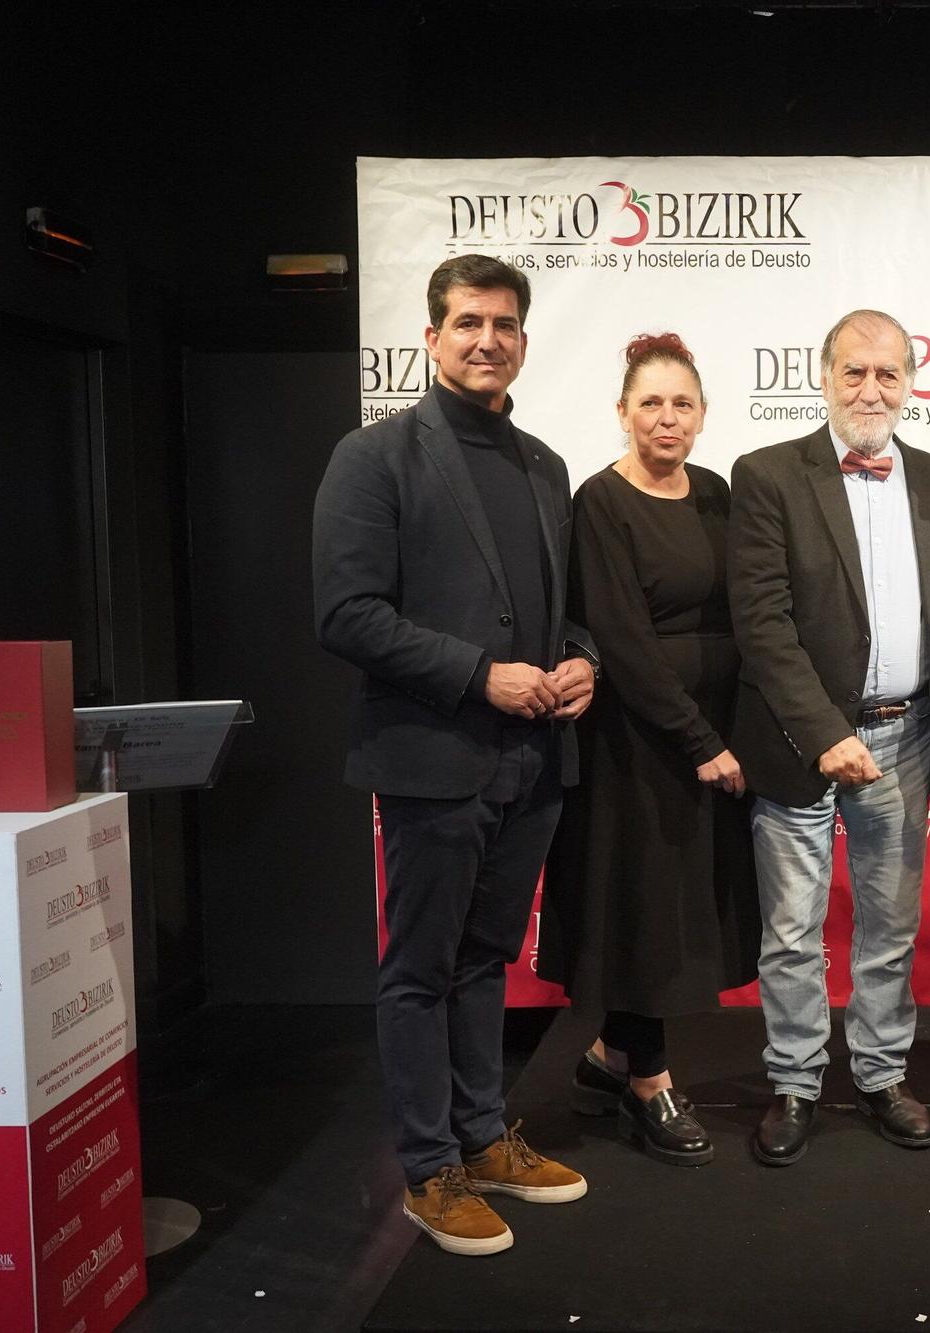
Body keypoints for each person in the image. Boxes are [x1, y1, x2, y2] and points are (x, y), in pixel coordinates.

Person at [313, 254, 595, 1255]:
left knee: (485, 963)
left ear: (522, 339)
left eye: (505, 323)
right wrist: (481, 673)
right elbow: (344, 615)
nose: (488, 338)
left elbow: (569, 617)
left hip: (532, 763)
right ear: (431, 337)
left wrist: (580, 663)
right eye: (468, 321)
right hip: (433, 757)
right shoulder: (375, 456)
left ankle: (482, 1139)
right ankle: (428, 1167)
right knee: (418, 972)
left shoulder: (544, 466)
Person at [727, 308, 930, 1165]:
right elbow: (761, 621)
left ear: (911, 382)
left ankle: (880, 1072)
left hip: (906, 741)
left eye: (888, 373)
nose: (871, 389)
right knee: (791, 928)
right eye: (854, 372)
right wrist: (824, 731)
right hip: (798, 741)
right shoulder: (766, 474)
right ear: (823, 376)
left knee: (889, 923)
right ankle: (794, 1080)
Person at [538, 332, 760, 1167]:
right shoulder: (601, 499)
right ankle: (647, 1084)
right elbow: (623, 641)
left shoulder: (715, 492)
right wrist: (699, 739)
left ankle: (603, 1061)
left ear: (703, 415)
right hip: (636, 744)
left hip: (714, 735)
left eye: (683, 404)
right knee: (642, 916)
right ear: (623, 412)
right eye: (651, 403)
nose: (667, 418)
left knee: (679, 912)